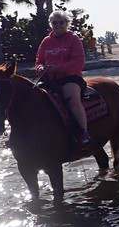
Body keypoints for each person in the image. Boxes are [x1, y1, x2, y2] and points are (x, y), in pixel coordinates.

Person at [35, 10, 92, 147]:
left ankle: (83, 132)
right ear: (51, 24)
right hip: (49, 78)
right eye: (55, 22)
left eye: (61, 22)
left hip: (70, 77)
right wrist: (40, 69)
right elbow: (39, 60)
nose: (58, 25)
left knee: (72, 99)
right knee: (32, 98)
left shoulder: (74, 39)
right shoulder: (46, 41)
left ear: (67, 23)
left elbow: (78, 62)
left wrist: (59, 68)